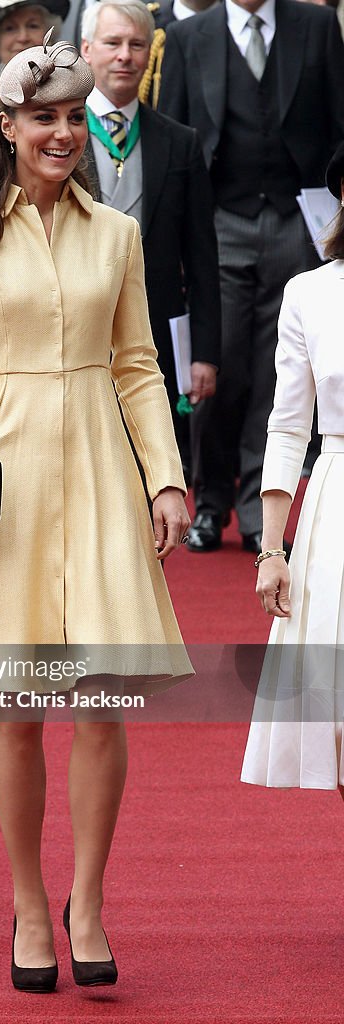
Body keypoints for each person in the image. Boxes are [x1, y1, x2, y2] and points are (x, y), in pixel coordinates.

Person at [0, 34, 193, 989]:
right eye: (43, 118)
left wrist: (167, 479)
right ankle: (29, 907)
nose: (62, 133)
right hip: (1, 471)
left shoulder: (120, 235)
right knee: (16, 706)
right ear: (7, 125)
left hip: (103, 469)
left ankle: (90, 900)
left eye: (74, 117)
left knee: (103, 704)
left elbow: (140, 367)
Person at [158, 0, 344, 555]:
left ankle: (258, 510)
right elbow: (173, 131)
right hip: (220, 219)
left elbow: (337, 121)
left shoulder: (313, 26)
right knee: (219, 361)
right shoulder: (190, 35)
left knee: (277, 371)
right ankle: (210, 500)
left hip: (297, 218)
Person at [241, 142, 344, 792]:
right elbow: (286, 426)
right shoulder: (309, 293)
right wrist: (271, 550)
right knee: (336, 712)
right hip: (336, 505)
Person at [81, 0, 220, 471]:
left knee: (152, 472)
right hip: (76, 333)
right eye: (112, 43)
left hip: (155, 335)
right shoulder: (57, 138)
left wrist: (203, 355)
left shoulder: (180, 141)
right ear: (86, 50)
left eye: (136, 45)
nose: (125, 55)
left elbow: (201, 257)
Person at [0, 0, 69, 137]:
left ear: (50, 37)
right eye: (10, 28)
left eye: (33, 26)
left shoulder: (69, 85)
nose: (23, 37)